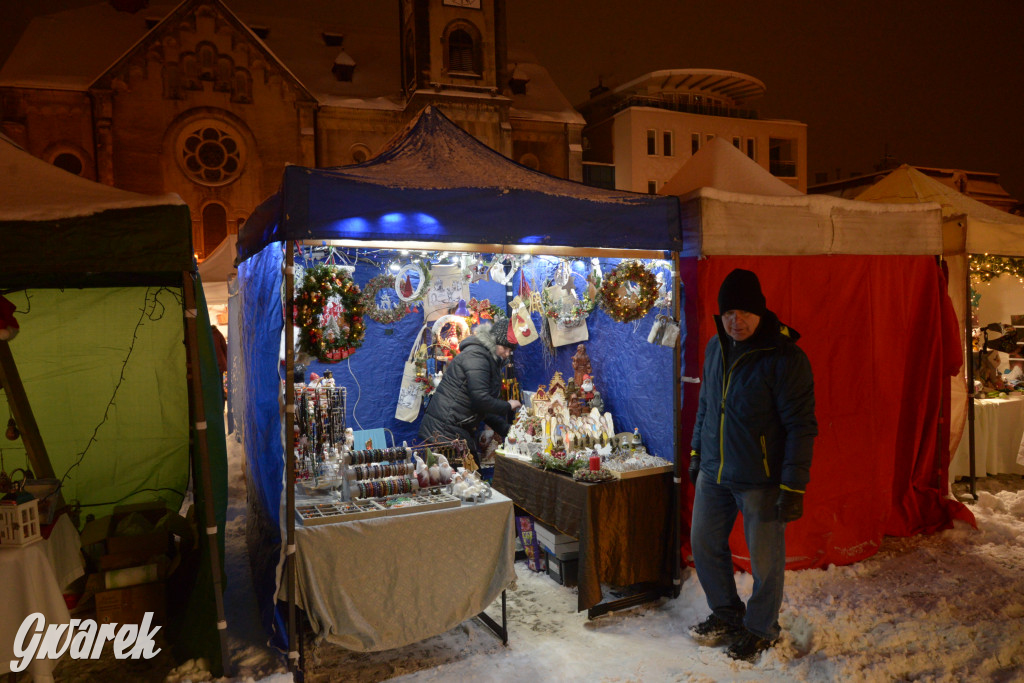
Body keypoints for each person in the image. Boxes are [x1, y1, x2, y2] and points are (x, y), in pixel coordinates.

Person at [688, 268, 817, 662]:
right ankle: (727, 615)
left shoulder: (785, 357)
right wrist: (696, 455)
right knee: (705, 543)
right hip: (715, 471)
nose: (735, 321)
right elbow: (706, 407)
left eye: (743, 312)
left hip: (760, 479)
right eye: (728, 313)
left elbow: (801, 426)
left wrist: (793, 487)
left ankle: (761, 628)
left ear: (760, 311)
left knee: (765, 562)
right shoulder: (715, 348)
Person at [419, 319, 522, 455]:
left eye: (510, 350)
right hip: (444, 431)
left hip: (451, 429)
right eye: (505, 348)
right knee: (463, 474)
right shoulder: (477, 356)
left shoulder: (486, 357)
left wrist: (507, 430)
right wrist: (507, 406)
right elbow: (480, 399)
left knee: (469, 473)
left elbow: (482, 408)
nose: (507, 354)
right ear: (493, 342)